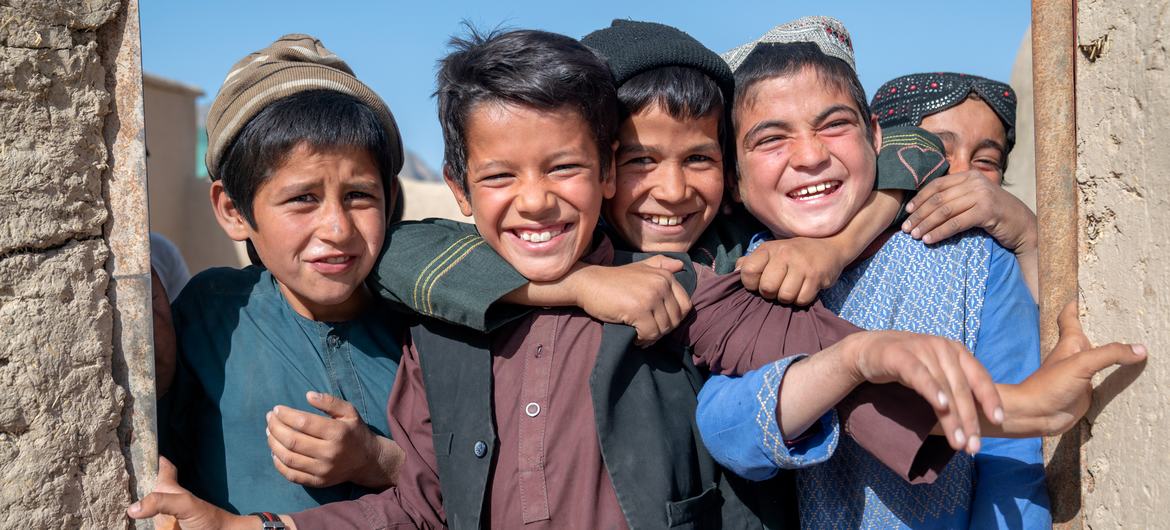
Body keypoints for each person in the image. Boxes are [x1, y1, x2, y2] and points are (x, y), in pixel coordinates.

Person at [130, 27, 1011, 530]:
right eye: (502, 178)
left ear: (600, 171)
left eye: (568, 169)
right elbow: (427, 505)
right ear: (463, 185)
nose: (539, 202)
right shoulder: (441, 313)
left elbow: (831, 346)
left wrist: (974, 385)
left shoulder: (697, 284)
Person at [697, 16, 1145, 529]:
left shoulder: (974, 261)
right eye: (771, 139)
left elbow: (1013, 464)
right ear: (734, 179)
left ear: (874, 137)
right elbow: (730, 431)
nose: (811, 155)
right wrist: (858, 358)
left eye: (834, 125)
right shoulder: (744, 275)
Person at [156, 34, 407, 515]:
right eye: (302, 199)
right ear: (233, 210)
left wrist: (378, 460)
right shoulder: (212, 313)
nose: (337, 228)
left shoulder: (428, 325)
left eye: (359, 195)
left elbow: (483, 480)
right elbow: (162, 447)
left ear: (389, 200)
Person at [872, 72, 1040, 299]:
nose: (963, 173)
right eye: (936, 150)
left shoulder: (996, 263)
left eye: (986, 161)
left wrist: (1028, 237)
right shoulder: (835, 244)